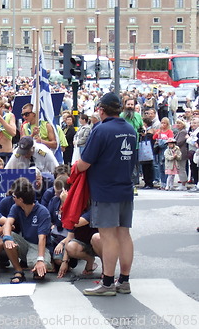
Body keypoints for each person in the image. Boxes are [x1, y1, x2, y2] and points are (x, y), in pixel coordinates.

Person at [77, 92, 136, 296]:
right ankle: (124, 280)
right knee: (124, 234)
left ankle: (108, 283)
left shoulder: (100, 130)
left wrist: (74, 168)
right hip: (125, 187)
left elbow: (84, 163)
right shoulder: (130, 129)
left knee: (108, 236)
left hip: (105, 190)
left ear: (101, 109)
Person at [2, 180, 53, 283]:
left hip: (39, 246)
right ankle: (18, 270)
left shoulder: (42, 212)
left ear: (20, 200)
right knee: (9, 236)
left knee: (41, 268)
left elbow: (42, 238)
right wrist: (7, 237)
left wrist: (40, 259)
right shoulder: (16, 207)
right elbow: (8, 223)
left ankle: (37, 265)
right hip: (25, 242)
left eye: (14, 197)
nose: (13, 198)